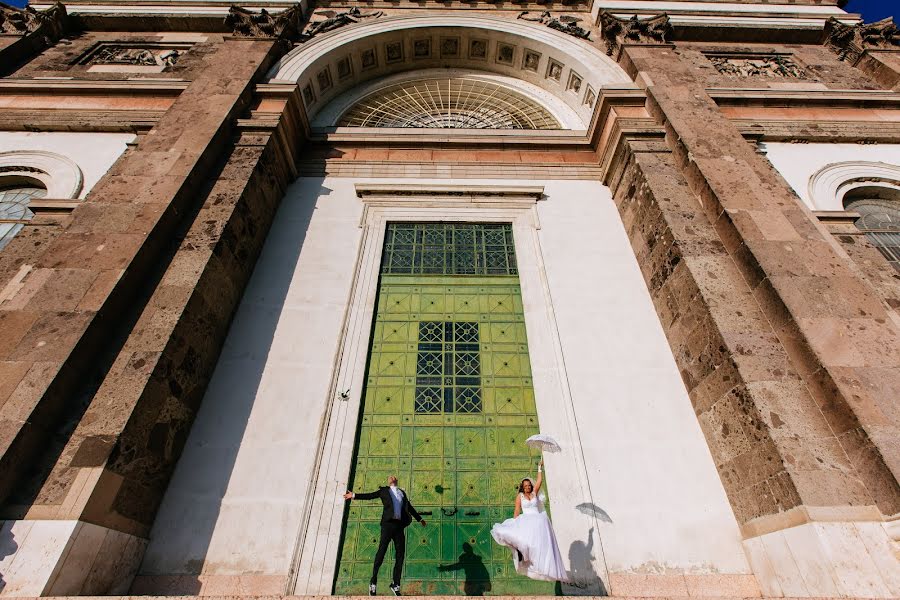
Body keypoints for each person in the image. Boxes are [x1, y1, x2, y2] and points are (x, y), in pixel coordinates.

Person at [344, 475, 426, 596]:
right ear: (388, 481)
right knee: (381, 553)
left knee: (400, 555)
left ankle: (395, 584)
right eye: (390, 477)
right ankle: (373, 583)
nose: (392, 477)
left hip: (399, 527)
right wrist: (354, 495)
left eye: (394, 476)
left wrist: (419, 519)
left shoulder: (402, 493)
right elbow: (370, 496)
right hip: (387, 525)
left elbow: (409, 507)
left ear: (396, 480)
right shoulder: (384, 491)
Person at [490, 459, 568, 582]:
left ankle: (539, 567)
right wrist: (515, 523)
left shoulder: (534, 493)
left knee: (539, 547)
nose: (527, 487)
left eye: (529, 485)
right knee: (524, 542)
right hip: (526, 521)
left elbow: (539, 481)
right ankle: (521, 556)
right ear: (522, 487)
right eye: (525, 486)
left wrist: (539, 468)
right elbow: (517, 510)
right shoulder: (519, 496)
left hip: (539, 522)